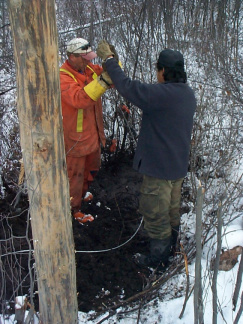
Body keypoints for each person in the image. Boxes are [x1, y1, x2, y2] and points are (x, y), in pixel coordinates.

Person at [97, 41, 196, 269]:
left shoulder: (159, 95)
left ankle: (158, 261)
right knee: (171, 211)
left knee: (155, 213)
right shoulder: (187, 94)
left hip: (159, 170)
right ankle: (172, 248)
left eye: (157, 70)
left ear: (162, 71)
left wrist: (110, 61)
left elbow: (127, 86)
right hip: (177, 169)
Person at [60, 38, 114, 224]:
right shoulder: (63, 77)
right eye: (84, 58)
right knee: (75, 176)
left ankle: (81, 195)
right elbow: (80, 99)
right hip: (75, 139)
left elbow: (113, 77)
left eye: (90, 57)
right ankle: (73, 210)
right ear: (72, 56)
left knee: (91, 169)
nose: (89, 62)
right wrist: (104, 81)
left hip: (94, 135)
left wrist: (112, 59)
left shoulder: (90, 69)